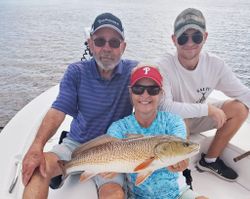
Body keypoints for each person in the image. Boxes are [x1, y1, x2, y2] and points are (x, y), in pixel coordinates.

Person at [21, 12, 138, 199]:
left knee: (115, 194)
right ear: (90, 44)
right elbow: (58, 110)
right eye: (100, 41)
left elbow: (159, 87)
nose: (107, 48)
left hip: (113, 149)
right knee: (38, 170)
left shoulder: (134, 72)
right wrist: (37, 146)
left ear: (123, 47)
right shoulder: (76, 72)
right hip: (75, 145)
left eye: (114, 42)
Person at [158, 8, 250, 181]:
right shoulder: (164, 65)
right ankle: (178, 177)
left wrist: (205, 111)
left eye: (197, 37)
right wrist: (207, 109)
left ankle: (209, 160)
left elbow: (244, 93)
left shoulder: (215, 65)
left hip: (197, 118)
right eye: (183, 37)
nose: (190, 43)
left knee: (240, 109)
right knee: (180, 120)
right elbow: (165, 106)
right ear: (174, 40)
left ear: (205, 37)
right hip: (171, 123)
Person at [107, 65, 207, 199]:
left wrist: (183, 160)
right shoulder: (118, 128)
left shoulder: (174, 121)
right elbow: (108, 153)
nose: (145, 95)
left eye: (153, 90)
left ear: (161, 93)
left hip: (178, 194)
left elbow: (178, 145)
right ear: (130, 92)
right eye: (138, 89)